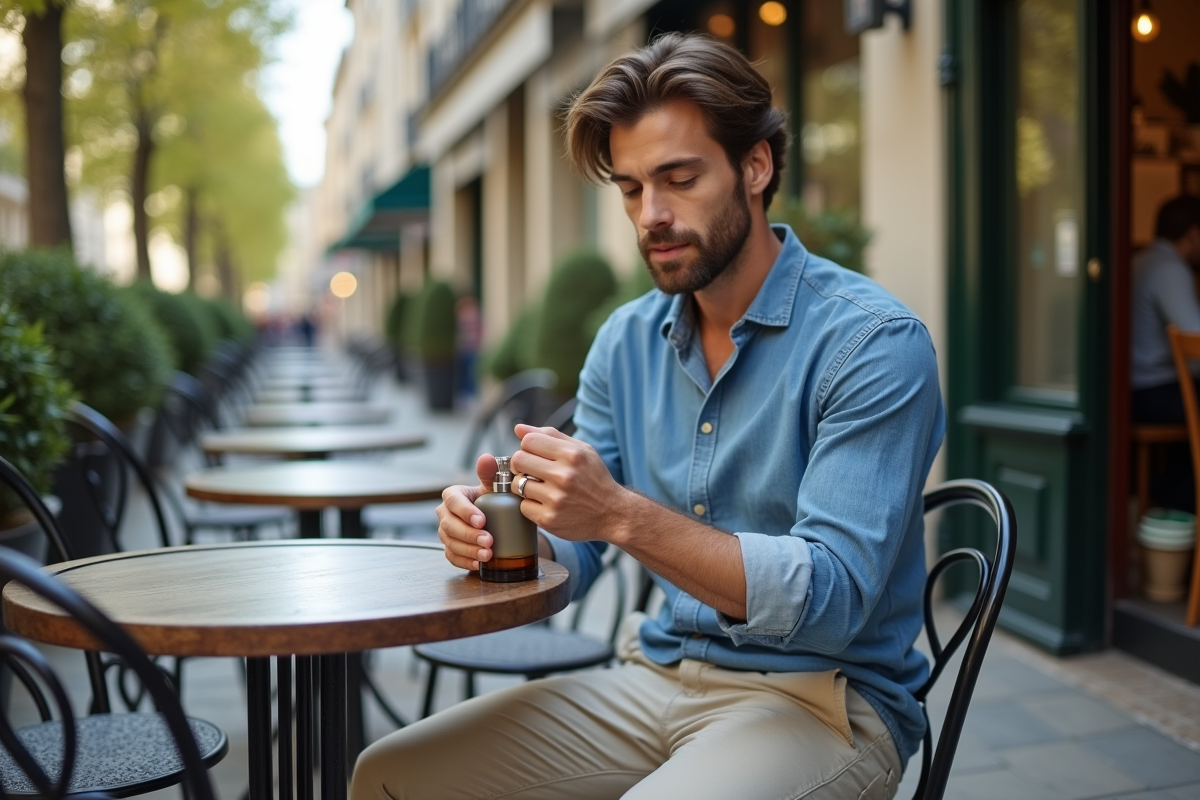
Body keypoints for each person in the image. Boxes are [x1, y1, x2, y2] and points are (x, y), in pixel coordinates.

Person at [351, 33, 943, 800]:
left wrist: (622, 516)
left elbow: (828, 601)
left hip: (823, 701)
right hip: (654, 676)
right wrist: (505, 532)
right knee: (390, 774)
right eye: (632, 189)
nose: (651, 215)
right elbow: (579, 547)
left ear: (756, 166)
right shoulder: (627, 339)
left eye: (679, 178)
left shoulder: (872, 343)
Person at [1131, 195, 1200, 424]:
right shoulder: (1170, 269)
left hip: (1133, 389)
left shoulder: (1139, 261)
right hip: (1155, 391)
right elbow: (1195, 342)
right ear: (1193, 234)